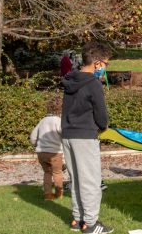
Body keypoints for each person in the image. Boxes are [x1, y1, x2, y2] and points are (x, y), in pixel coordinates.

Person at [62, 41, 113, 234]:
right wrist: (103, 127)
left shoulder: (69, 80)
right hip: (85, 135)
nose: (105, 68)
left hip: (68, 134)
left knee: (75, 179)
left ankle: (78, 219)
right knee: (91, 180)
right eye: (106, 64)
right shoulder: (93, 84)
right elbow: (101, 114)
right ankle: (91, 224)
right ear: (98, 63)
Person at [30, 95, 64, 200]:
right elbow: (64, 134)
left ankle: (47, 194)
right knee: (57, 172)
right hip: (55, 152)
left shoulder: (42, 121)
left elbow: (32, 137)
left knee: (47, 172)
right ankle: (59, 194)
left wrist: (36, 144)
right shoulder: (59, 121)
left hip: (41, 152)